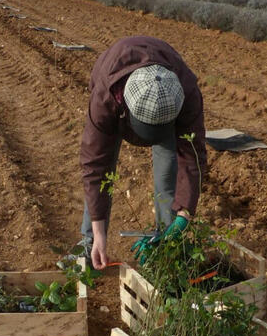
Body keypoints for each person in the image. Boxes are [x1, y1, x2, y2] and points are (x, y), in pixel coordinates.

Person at [79, 36, 206, 270]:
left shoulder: (186, 93)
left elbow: (192, 156)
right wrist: (99, 232)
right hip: (115, 99)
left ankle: (167, 245)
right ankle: (91, 242)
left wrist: (184, 214)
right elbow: (95, 165)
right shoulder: (105, 98)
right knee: (103, 176)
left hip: (168, 105)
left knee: (169, 173)